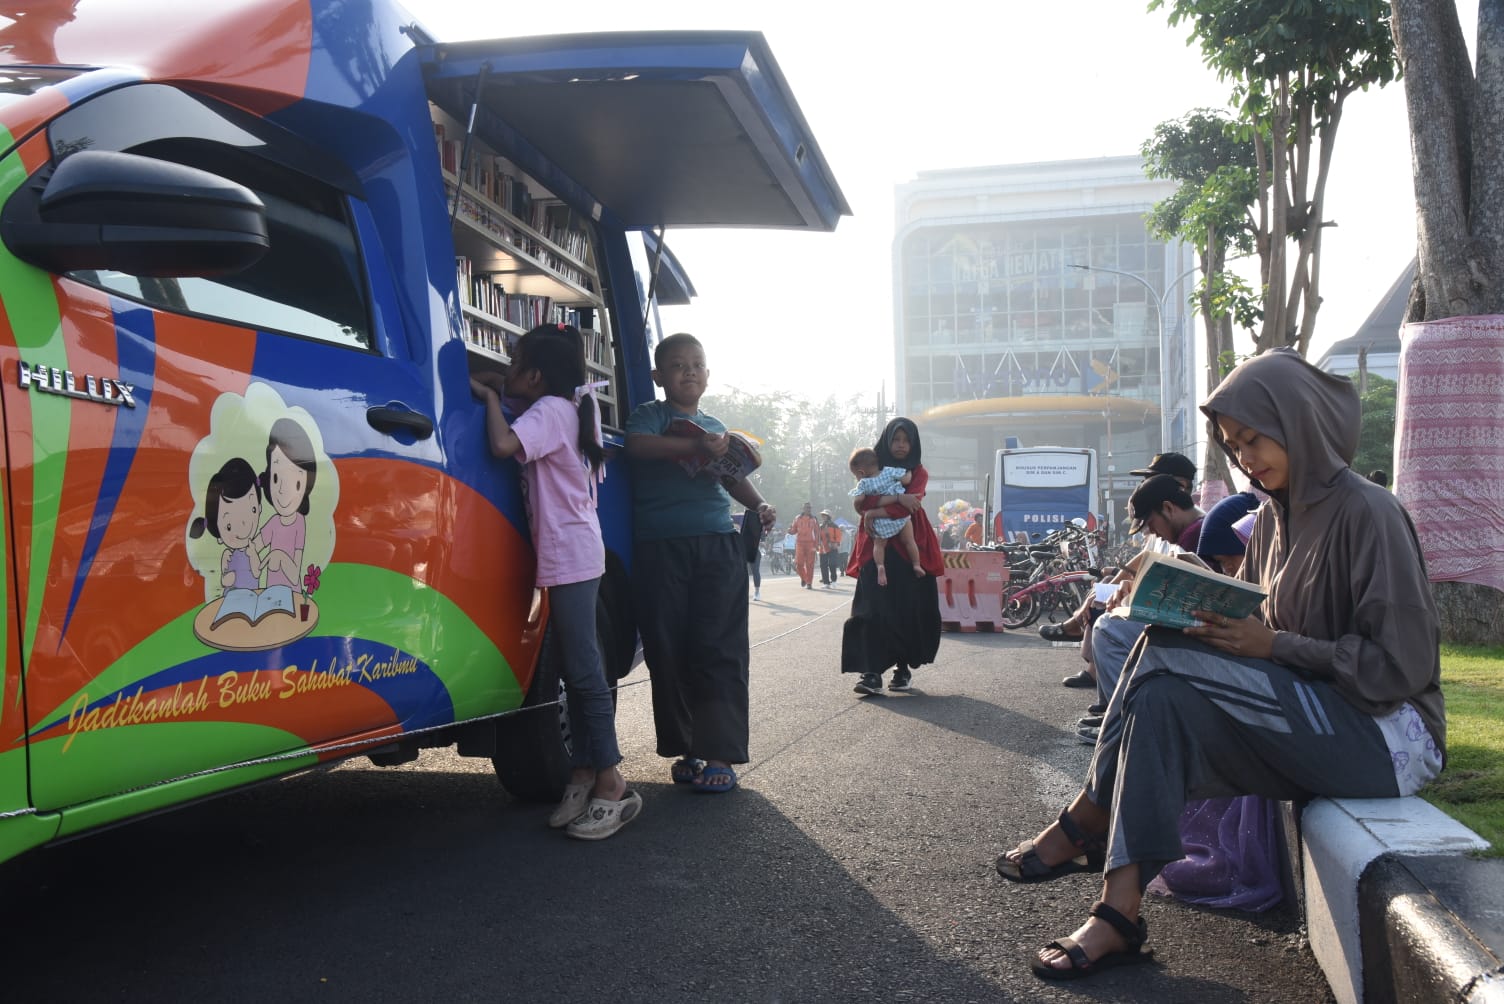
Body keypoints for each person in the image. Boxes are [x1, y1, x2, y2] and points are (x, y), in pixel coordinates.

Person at [996, 348, 1445, 982]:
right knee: (1158, 699)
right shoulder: (1269, 519)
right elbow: (1263, 623)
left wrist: (1273, 647)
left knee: (1161, 659)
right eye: (1233, 446)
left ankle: (1088, 813)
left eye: (1254, 438)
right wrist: (1192, 594)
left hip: (1385, 734)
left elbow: (1400, 666)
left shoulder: (1369, 513)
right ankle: (1118, 912)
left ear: (1299, 421)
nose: (1244, 458)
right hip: (1311, 713)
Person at [470, 323, 640, 839]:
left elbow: (502, 445)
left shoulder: (548, 412)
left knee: (584, 669)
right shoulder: (564, 410)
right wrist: (505, 391)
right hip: (576, 550)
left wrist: (488, 395)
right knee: (577, 662)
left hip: (569, 554)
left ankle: (611, 783)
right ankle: (584, 774)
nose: (507, 369)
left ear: (535, 375)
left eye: (514, 362)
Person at [624, 333, 776, 794]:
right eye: (677, 365)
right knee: (668, 650)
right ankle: (689, 747)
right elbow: (636, 448)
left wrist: (760, 505)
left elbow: (731, 480)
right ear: (658, 376)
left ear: (707, 376)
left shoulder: (716, 427)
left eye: (696, 364)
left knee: (720, 648)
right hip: (660, 546)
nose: (688, 371)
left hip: (716, 543)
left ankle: (720, 754)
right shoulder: (650, 416)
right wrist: (693, 449)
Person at [1072, 476, 1206, 744]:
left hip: (1196, 631)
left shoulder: (1194, 534)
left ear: (1168, 508)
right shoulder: (1187, 531)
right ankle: (1117, 715)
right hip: (1186, 623)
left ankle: (1122, 722)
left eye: (1150, 524)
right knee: (1108, 614)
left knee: (1110, 629)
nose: (1151, 533)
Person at [840, 418, 944, 695]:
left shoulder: (917, 472)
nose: (900, 445)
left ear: (913, 443)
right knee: (871, 609)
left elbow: (910, 506)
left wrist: (875, 510)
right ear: (886, 441)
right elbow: (860, 503)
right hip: (876, 548)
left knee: (907, 609)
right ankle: (871, 673)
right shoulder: (874, 467)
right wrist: (893, 501)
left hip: (911, 548)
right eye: (896, 439)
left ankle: (902, 669)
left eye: (906, 440)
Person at [847, 447, 924, 586]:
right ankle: (916, 564)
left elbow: (860, 500)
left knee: (879, 545)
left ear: (861, 472)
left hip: (881, 522)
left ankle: (880, 567)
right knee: (909, 541)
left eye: (855, 475)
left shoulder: (863, 483)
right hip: (901, 519)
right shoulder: (888, 471)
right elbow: (906, 479)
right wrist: (909, 471)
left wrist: (860, 509)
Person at [789, 502, 819, 589]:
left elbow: (817, 533)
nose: (808, 509)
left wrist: (816, 545)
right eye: (806, 508)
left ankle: (809, 582)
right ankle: (804, 578)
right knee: (798, 564)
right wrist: (790, 531)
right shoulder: (797, 518)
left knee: (810, 564)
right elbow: (794, 530)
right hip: (800, 543)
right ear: (803, 508)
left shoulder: (814, 519)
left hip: (811, 544)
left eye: (809, 508)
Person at [817, 510, 844, 588]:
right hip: (823, 548)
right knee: (823, 566)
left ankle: (834, 581)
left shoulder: (834, 526)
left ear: (828, 516)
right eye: (822, 515)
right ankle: (826, 583)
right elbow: (818, 537)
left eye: (825, 515)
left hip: (832, 547)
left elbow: (839, 536)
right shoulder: (821, 526)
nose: (823, 517)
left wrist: (836, 543)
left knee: (832, 564)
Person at [742, 507, 764, 601]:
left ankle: (757, 592)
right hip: (742, 551)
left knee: (755, 571)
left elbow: (762, 537)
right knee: (741, 573)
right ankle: (742, 593)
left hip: (754, 551)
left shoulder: (758, 524)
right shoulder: (741, 522)